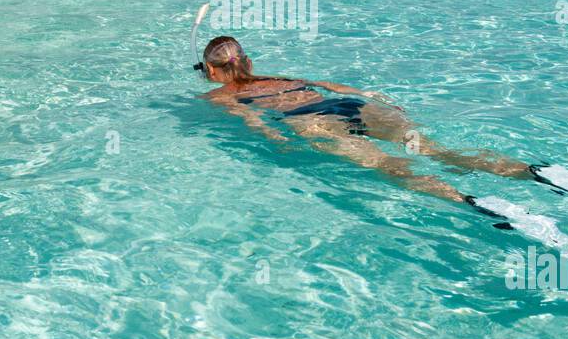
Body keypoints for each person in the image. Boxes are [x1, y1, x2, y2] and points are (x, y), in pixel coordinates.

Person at [197, 36, 544, 218]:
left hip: (315, 123)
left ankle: (470, 202)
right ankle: (529, 172)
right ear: (249, 62)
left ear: (212, 72)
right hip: (352, 107)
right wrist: (372, 96)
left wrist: (276, 141)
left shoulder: (221, 96)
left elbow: (254, 121)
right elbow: (336, 87)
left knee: (388, 165)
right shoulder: (283, 77)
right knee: (436, 150)